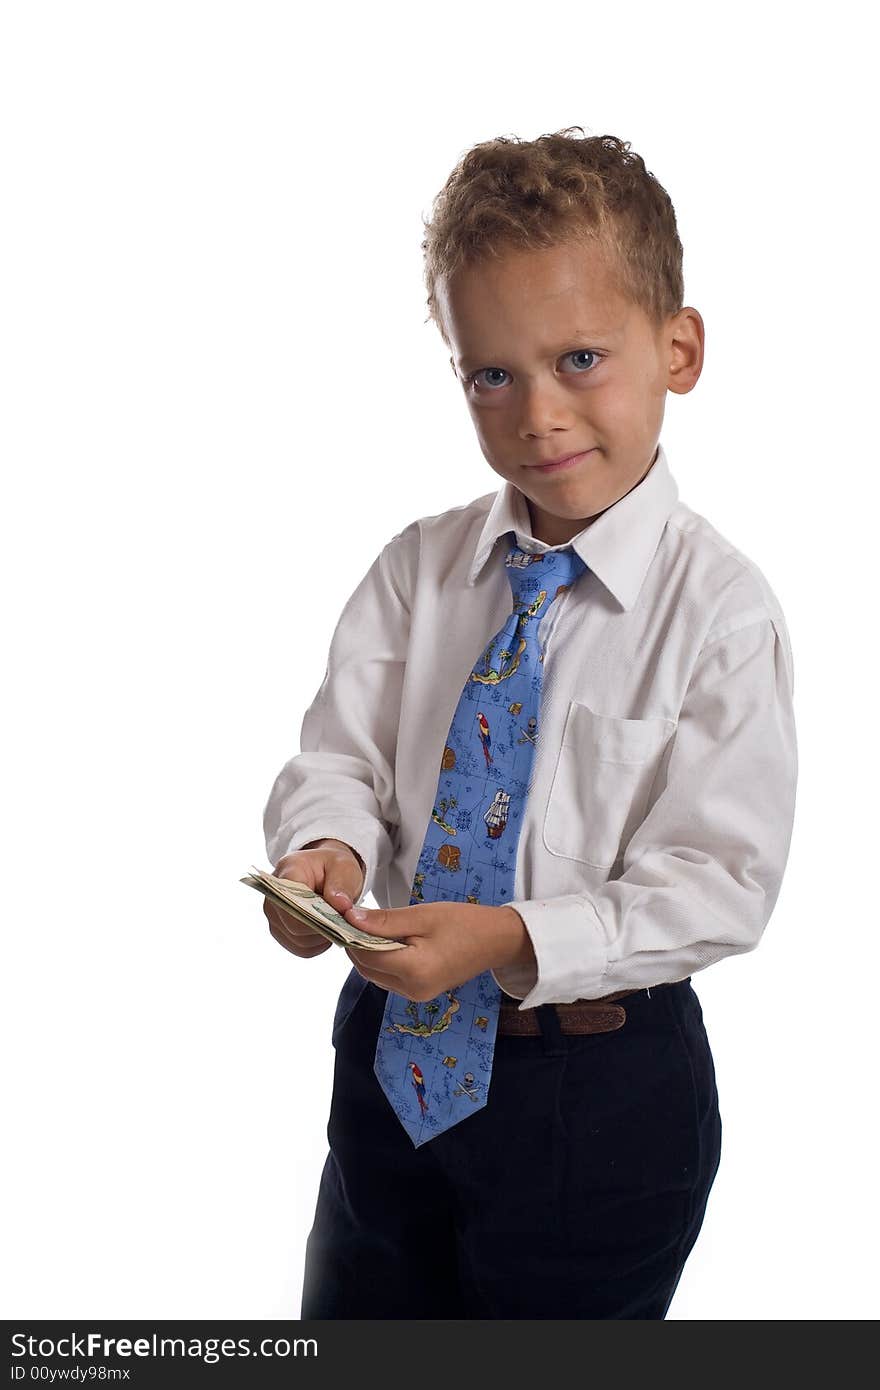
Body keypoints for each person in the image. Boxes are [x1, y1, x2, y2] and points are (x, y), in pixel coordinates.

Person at [260, 127, 798, 1319]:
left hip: (595, 1095)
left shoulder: (717, 613)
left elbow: (719, 881)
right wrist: (332, 851)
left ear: (679, 349)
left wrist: (507, 937)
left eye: (580, 359)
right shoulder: (419, 569)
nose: (537, 413)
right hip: (394, 1063)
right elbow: (341, 753)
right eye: (489, 374)